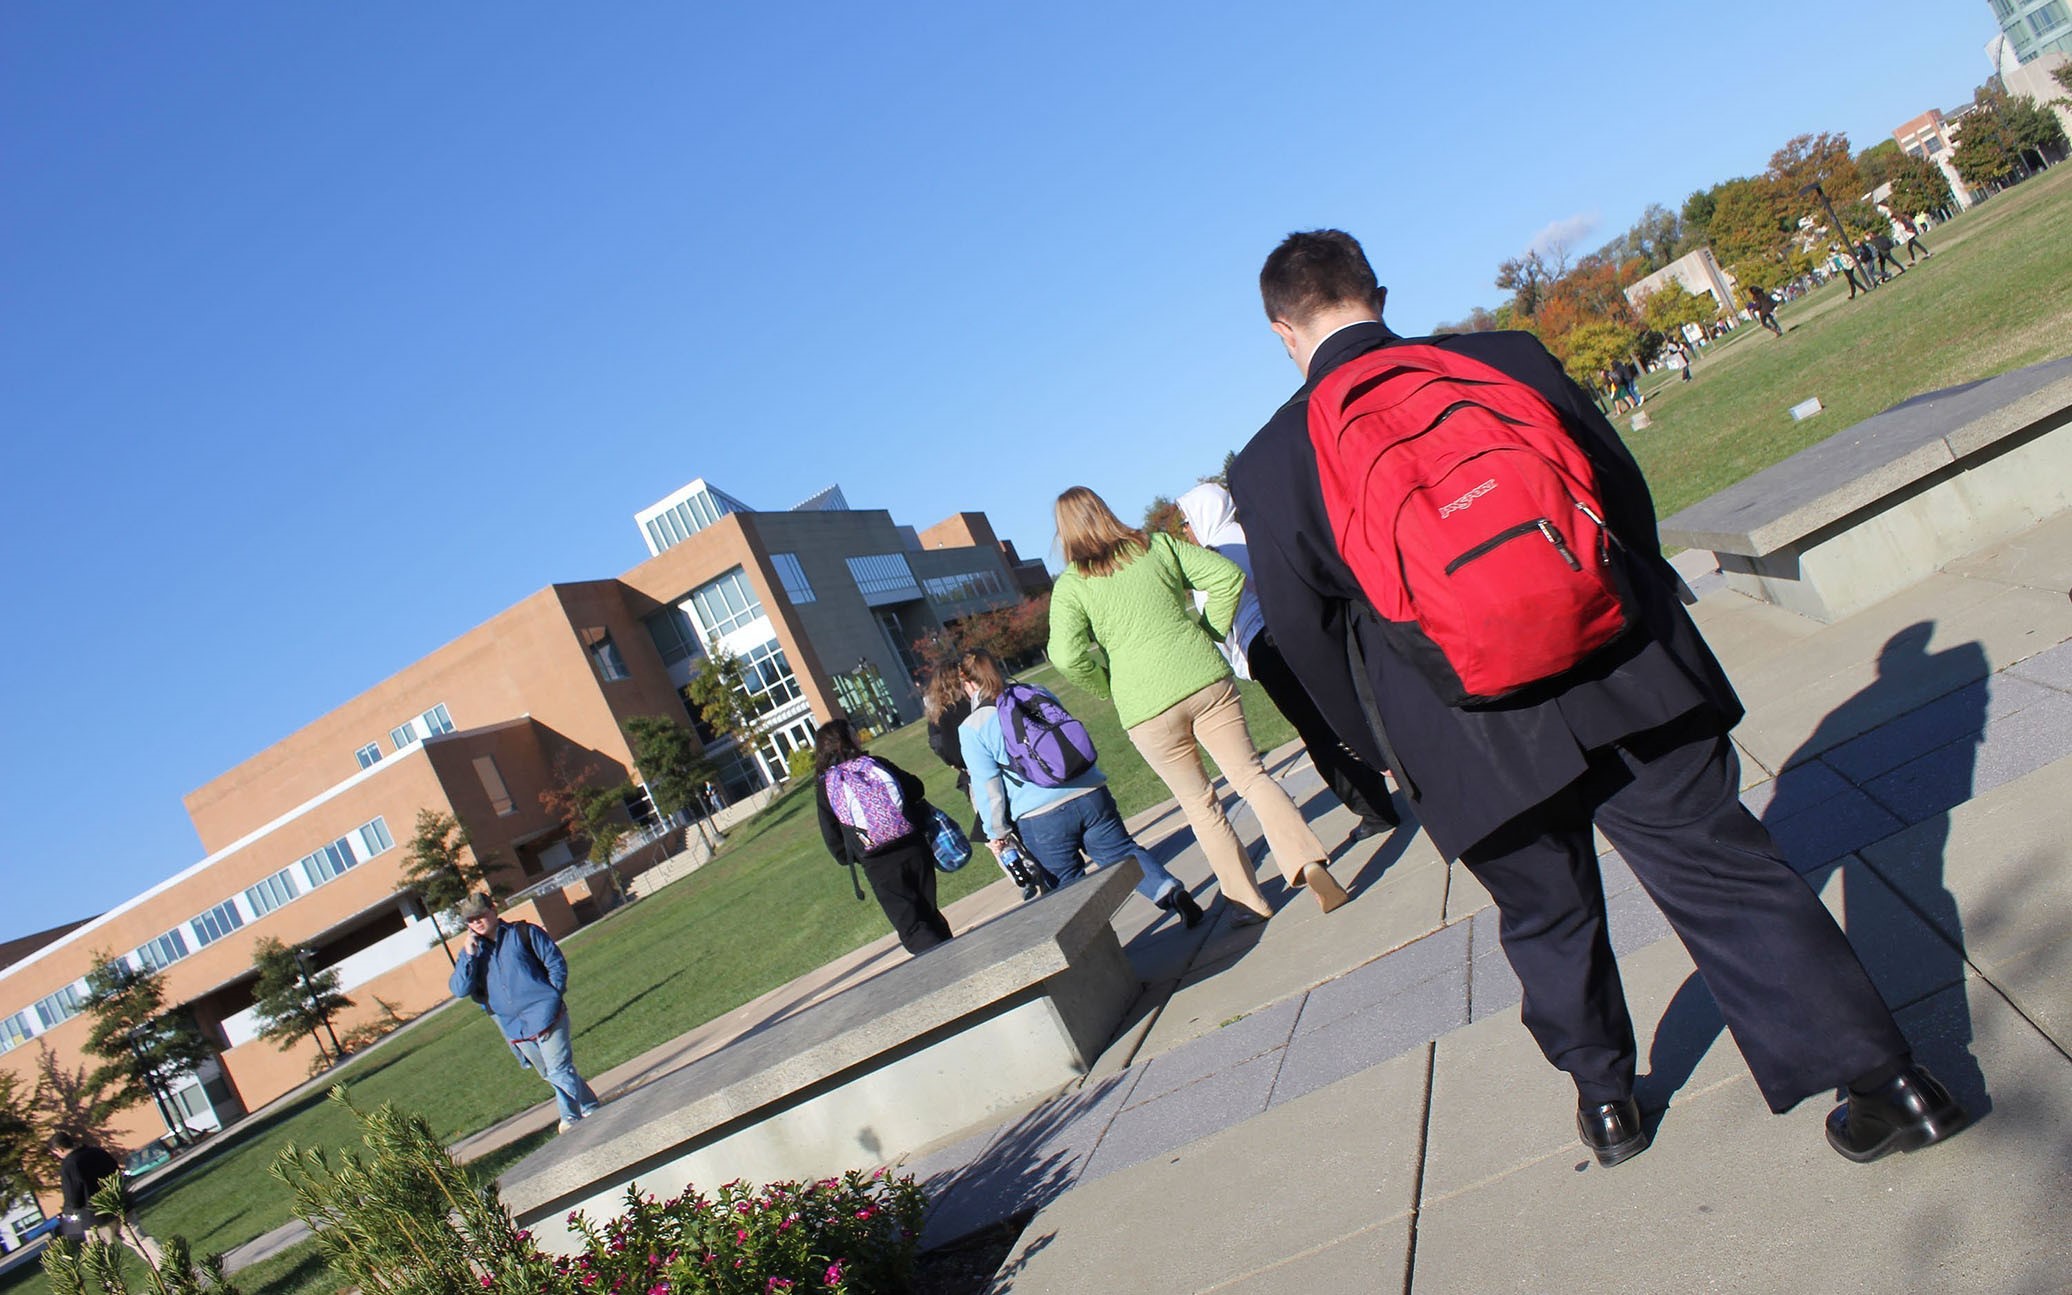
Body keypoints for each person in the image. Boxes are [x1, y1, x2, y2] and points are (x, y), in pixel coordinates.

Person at [1229, 228, 1966, 1169]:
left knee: (1548, 915)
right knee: (1728, 876)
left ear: (1282, 331)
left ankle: (1609, 1100)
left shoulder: (1271, 461)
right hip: (1624, 669)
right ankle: (1889, 1081)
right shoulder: (1500, 359)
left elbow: (1305, 633)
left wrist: (1374, 743)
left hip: (1462, 726)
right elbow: (1619, 491)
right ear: (1376, 290)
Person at [1048, 486, 1348, 925]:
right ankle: (1307, 860)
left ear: (1064, 532)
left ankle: (1249, 901)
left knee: (1200, 805)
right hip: (1203, 678)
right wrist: (1206, 631)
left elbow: (1066, 655)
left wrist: (1105, 683)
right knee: (1251, 776)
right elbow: (1226, 577)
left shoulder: (1072, 586)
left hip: (1145, 707)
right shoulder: (1157, 545)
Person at [1174, 481, 1399, 846]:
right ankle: (1389, 781)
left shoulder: (1217, 551)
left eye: (1185, 522)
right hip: (1297, 631)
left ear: (1202, 515)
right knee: (1340, 710)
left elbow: (1220, 614)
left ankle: (1372, 809)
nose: (1185, 531)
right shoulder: (1250, 532)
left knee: (1316, 731)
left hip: (1266, 644)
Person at [956, 648, 1204, 926]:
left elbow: (988, 785)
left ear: (968, 684)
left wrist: (996, 833)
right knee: (1123, 853)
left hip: (1040, 816)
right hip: (1089, 791)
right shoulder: (1036, 691)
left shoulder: (972, 727)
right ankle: (1171, 893)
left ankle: (1100, 950)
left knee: (1068, 887)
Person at [448, 893, 603, 1133]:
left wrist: (553, 996)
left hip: (547, 1014)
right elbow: (459, 989)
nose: (477, 922)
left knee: (559, 1069)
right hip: (515, 1027)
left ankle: (570, 1120)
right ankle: (590, 1105)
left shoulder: (523, 933)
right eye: (471, 919)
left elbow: (555, 962)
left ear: (494, 909)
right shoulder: (471, 953)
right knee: (550, 1073)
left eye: (481, 914)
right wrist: (468, 955)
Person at [814, 718, 955, 953]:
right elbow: (916, 787)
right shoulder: (875, 764)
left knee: (911, 925)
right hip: (913, 846)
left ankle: (946, 969)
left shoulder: (826, 785)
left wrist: (855, 854)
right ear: (849, 740)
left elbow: (832, 837)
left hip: (877, 861)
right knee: (929, 912)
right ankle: (955, 954)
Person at [925, 666, 1054, 899]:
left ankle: (1021, 875)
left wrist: (956, 764)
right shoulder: (981, 702)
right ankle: (1042, 869)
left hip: (975, 777)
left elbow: (942, 748)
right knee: (1019, 821)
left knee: (994, 829)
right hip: (1007, 767)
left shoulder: (940, 716)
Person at [50, 1130, 164, 1263]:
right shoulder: (97, 1152)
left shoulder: (69, 1165)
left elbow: (73, 1198)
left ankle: (112, 1283)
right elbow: (116, 1171)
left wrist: (67, 1212)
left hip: (96, 1217)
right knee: (140, 1239)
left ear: (59, 1149)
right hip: (120, 1204)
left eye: (56, 1153)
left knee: (102, 1257)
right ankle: (169, 1267)